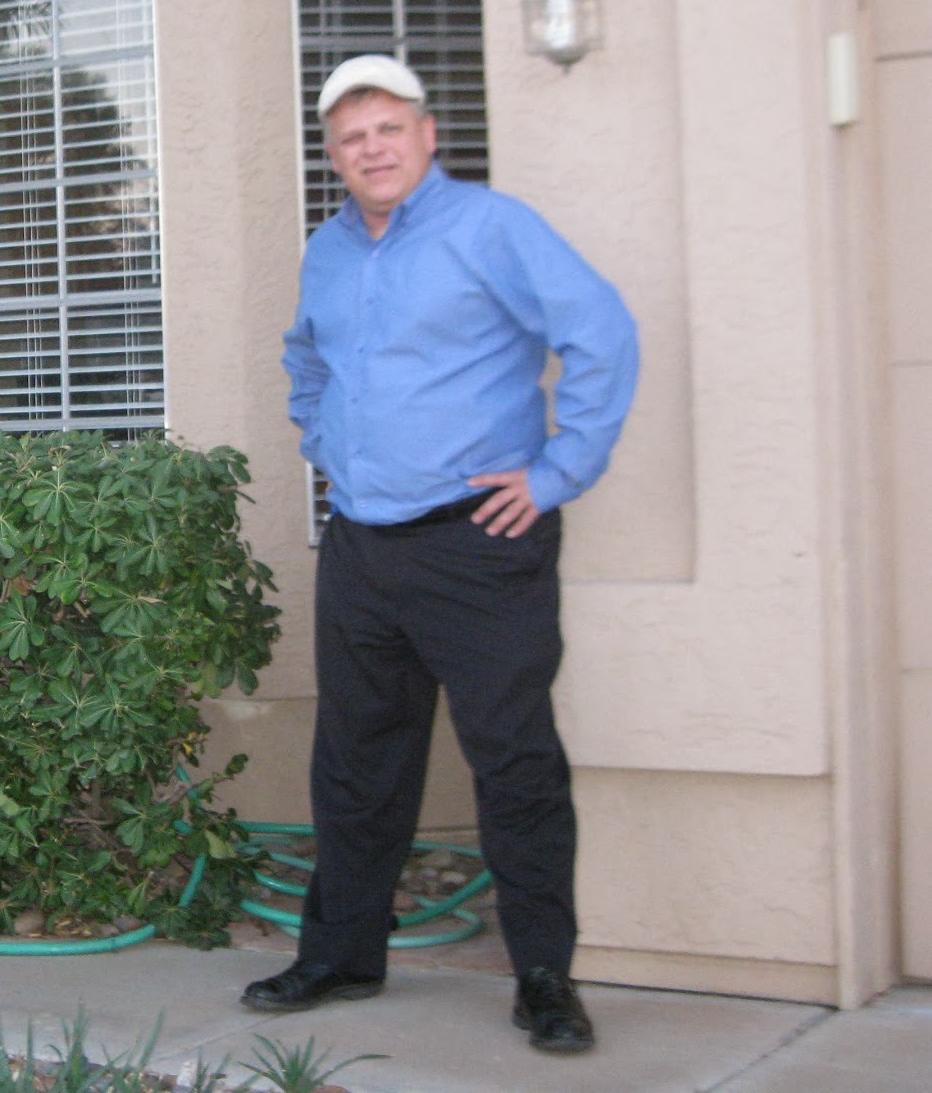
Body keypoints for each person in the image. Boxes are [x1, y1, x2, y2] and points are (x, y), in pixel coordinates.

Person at [241, 55, 638, 1056]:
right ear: (333, 156)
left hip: (479, 544)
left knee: (513, 762)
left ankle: (543, 978)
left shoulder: (491, 228)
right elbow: (306, 355)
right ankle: (342, 956)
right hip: (361, 545)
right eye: (350, 137)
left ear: (426, 135)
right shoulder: (328, 250)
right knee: (355, 762)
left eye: (387, 129)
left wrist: (556, 472)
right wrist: (324, 438)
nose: (370, 149)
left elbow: (601, 332)